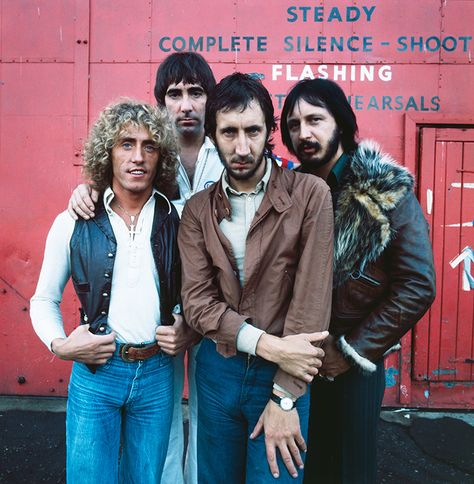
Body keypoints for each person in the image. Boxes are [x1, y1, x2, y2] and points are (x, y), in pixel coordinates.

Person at [67, 52, 223, 484]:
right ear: (161, 103)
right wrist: (86, 189)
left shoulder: (227, 149)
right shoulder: (150, 157)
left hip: (216, 306)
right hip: (165, 316)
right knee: (163, 419)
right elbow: (114, 182)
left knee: (211, 418)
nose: (186, 104)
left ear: (210, 100)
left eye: (196, 92)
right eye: (175, 94)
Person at [178, 72, 333, 483]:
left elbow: (311, 304)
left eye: (253, 131)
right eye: (229, 132)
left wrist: (284, 398)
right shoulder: (196, 211)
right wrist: (267, 345)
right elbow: (197, 304)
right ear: (212, 134)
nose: (242, 147)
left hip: (283, 375)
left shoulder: (310, 195)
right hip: (218, 371)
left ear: (270, 132)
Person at [280, 78, 436, 484]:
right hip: (296, 356)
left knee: (348, 470)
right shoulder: (291, 190)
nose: (304, 133)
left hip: (352, 359)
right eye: (294, 124)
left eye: (315, 119)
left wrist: (350, 350)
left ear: (342, 124)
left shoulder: (383, 190)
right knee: (302, 466)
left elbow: (418, 283)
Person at [30, 100, 181, 483]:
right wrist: (60, 345)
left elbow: (195, 294)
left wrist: (187, 326)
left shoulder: (178, 217)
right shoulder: (73, 221)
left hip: (158, 374)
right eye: (126, 144)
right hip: (97, 372)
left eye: (150, 146)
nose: (138, 156)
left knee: (145, 479)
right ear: (107, 153)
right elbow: (43, 299)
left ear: (160, 157)